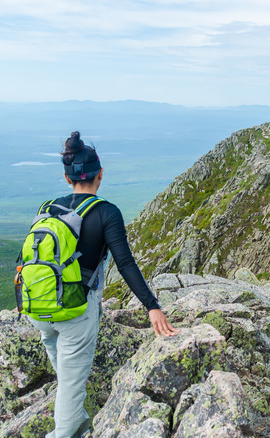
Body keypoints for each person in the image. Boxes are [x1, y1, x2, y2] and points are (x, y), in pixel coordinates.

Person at [28, 131, 179, 438]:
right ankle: (68, 431)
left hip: (37, 307)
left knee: (66, 377)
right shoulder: (107, 212)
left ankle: (77, 419)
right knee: (70, 383)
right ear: (99, 175)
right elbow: (125, 263)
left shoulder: (48, 208)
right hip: (74, 312)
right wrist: (153, 306)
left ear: (66, 177)